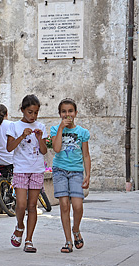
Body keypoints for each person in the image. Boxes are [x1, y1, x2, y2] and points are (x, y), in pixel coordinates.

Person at [6, 95, 47, 253]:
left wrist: (40, 138)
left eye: (36, 113)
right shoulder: (14, 126)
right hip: (21, 169)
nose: (33, 116)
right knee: (21, 204)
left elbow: (44, 151)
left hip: (36, 169)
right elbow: (9, 148)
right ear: (22, 110)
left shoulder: (41, 126)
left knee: (32, 206)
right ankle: (20, 225)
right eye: (30, 112)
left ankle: (29, 240)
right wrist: (22, 136)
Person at [50, 98, 91, 253]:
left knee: (78, 206)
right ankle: (68, 241)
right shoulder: (55, 129)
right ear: (60, 114)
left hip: (76, 172)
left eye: (70, 111)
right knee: (64, 206)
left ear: (75, 112)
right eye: (64, 112)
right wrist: (61, 128)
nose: (67, 114)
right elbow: (57, 149)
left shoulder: (82, 132)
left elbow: (86, 155)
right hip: (60, 170)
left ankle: (76, 229)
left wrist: (88, 175)